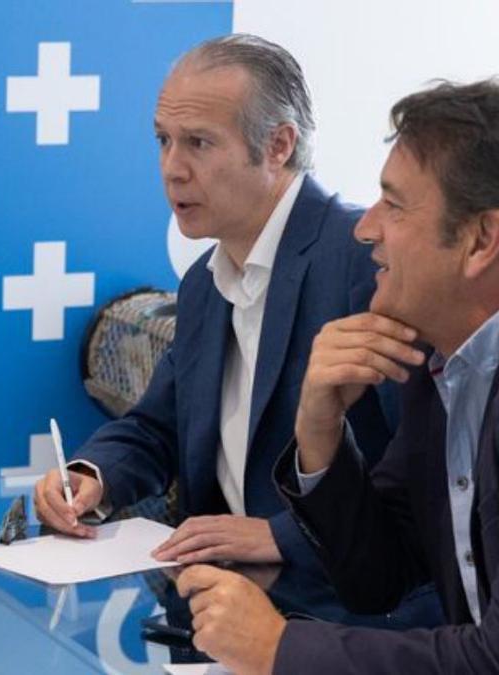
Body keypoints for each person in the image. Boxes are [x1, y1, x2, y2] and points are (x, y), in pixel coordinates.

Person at [34, 34, 396, 571]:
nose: (171, 168)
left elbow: (413, 478)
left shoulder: (364, 261)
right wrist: (92, 475)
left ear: (278, 146)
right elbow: (159, 427)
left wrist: (283, 536)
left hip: (338, 599)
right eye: (163, 140)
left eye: (198, 143)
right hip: (215, 591)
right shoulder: (204, 283)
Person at [176, 78, 499, 674]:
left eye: (394, 206)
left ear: (481, 240)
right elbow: (379, 579)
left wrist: (278, 648)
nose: (366, 227)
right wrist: (320, 430)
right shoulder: (439, 367)